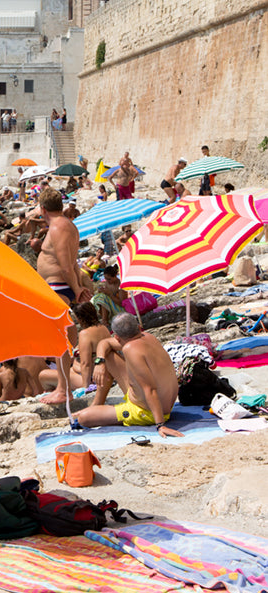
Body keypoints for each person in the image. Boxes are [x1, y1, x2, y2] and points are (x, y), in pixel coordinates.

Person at [77, 313, 184, 438]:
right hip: (153, 400)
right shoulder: (149, 337)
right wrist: (100, 361)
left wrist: (160, 425)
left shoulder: (130, 349)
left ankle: (99, 410)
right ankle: (97, 404)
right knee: (107, 355)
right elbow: (104, 343)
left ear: (117, 337)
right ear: (138, 328)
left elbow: (150, 389)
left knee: (83, 418)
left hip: (146, 411)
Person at [36, 187, 90, 404]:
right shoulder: (66, 225)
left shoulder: (58, 227)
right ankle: (63, 386)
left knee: (59, 336)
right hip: (61, 285)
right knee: (65, 334)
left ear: (43, 209)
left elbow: (66, 264)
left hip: (58, 285)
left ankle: (63, 389)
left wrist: (77, 289)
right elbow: (72, 261)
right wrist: (77, 287)